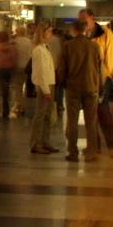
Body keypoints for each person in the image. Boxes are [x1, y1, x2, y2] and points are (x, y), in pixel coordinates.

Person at [58, 19, 101, 162]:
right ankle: (91, 152)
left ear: (74, 30)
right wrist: (97, 86)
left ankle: (73, 152)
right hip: (91, 87)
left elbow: (62, 69)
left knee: (72, 121)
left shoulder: (67, 46)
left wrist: (62, 83)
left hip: (73, 87)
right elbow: (98, 68)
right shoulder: (94, 46)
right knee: (91, 121)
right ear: (86, 30)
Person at [79, 9, 113, 154]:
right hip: (86, 79)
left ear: (92, 18)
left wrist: (105, 75)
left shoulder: (105, 33)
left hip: (102, 78)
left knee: (103, 110)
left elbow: (111, 56)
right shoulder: (81, 35)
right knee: (90, 112)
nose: (82, 22)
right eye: (80, 20)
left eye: (84, 19)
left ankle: (111, 144)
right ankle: (95, 145)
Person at [29, 24, 58, 154]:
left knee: (47, 115)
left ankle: (45, 141)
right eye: (49, 31)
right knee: (40, 115)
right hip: (44, 86)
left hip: (50, 83)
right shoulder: (39, 50)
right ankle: (36, 143)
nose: (51, 34)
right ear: (43, 33)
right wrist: (46, 90)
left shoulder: (45, 48)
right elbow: (41, 73)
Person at [11, 27, 32, 118]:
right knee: (25, 86)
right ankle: (22, 105)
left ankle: (19, 105)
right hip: (26, 67)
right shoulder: (29, 42)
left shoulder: (14, 42)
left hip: (17, 66)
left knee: (18, 87)